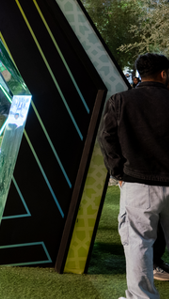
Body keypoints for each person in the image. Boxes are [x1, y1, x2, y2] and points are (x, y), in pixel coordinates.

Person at [98, 53, 169, 299]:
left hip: (138, 185)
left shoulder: (121, 100)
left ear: (139, 74)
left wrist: (118, 172)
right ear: (164, 74)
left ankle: (141, 297)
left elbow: (106, 139)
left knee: (138, 244)